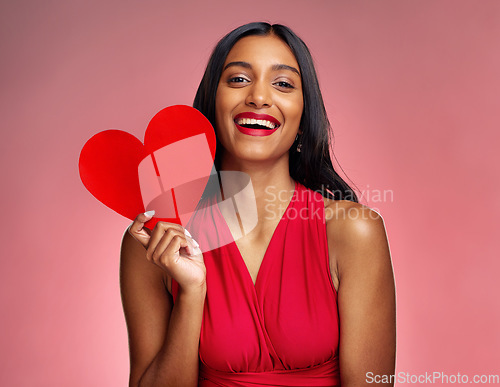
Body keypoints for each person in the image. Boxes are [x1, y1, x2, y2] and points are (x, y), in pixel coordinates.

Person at [120, 22, 396, 386]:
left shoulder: (355, 231)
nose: (259, 97)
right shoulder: (155, 239)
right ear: (210, 103)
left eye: (283, 83)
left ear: (303, 117)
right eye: (238, 80)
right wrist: (191, 295)